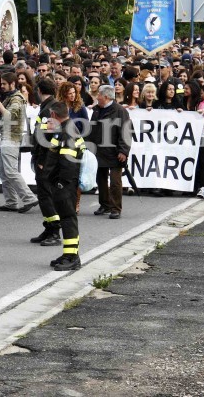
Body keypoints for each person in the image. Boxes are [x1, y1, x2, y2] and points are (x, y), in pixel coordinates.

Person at [0, 72, 38, 213]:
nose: (1, 86)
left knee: (10, 170)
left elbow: (9, 116)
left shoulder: (17, 98)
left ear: (12, 84)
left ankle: (29, 198)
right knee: (3, 171)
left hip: (11, 137)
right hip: (5, 136)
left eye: (4, 84)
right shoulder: (10, 98)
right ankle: (11, 202)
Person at [46, 101, 86, 271]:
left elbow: (68, 162)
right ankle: (68, 253)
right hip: (63, 183)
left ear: (54, 115)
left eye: (50, 116)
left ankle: (72, 257)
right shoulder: (65, 130)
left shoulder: (67, 132)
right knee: (66, 218)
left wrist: (61, 183)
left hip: (65, 184)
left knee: (68, 219)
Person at [88, 85, 131, 219]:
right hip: (99, 151)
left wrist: (123, 151)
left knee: (115, 182)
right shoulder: (96, 110)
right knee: (100, 179)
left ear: (105, 97)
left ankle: (115, 208)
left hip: (115, 152)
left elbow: (126, 132)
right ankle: (104, 205)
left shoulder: (120, 111)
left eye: (99, 95)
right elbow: (92, 130)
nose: (97, 97)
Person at [29, 78, 60, 246]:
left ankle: (54, 230)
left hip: (46, 160)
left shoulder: (48, 110)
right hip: (46, 159)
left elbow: (46, 138)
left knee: (46, 195)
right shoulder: (48, 107)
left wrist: (42, 161)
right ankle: (48, 227)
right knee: (43, 195)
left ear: (40, 91)